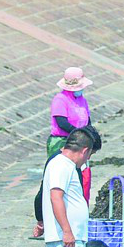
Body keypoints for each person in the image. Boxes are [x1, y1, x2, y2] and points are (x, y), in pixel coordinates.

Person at [33, 126, 102, 238]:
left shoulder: (73, 163)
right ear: (84, 149)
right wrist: (41, 220)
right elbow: (47, 194)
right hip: (63, 233)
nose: (88, 158)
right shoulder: (60, 163)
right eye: (90, 153)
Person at [48, 67, 94, 202]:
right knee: (61, 175)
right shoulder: (60, 99)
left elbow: (88, 120)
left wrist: (90, 135)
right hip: (62, 141)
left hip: (81, 141)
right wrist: (80, 134)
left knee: (80, 174)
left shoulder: (82, 100)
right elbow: (62, 123)